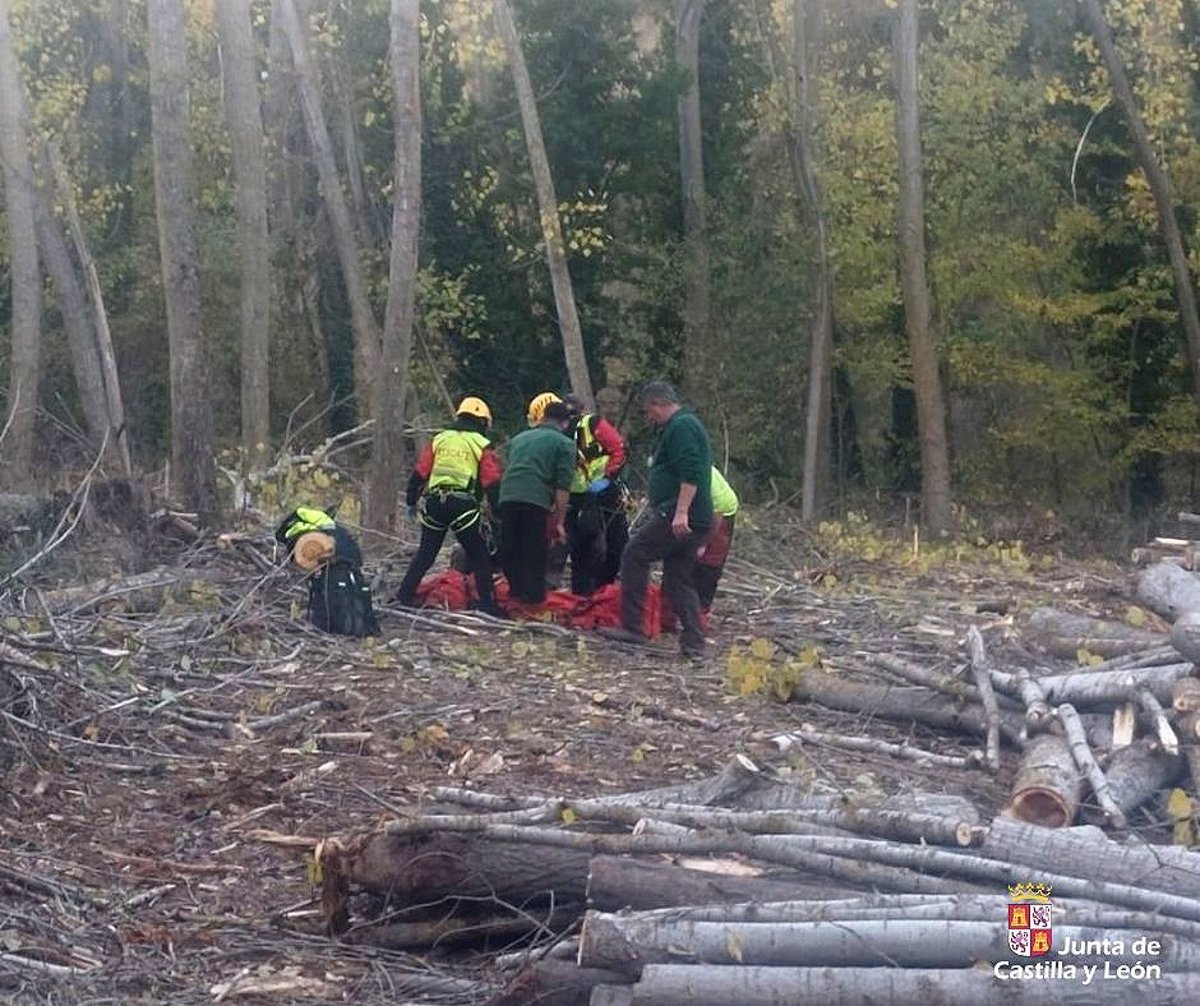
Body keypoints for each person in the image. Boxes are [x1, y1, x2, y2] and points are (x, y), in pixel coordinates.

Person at [600, 381, 713, 660]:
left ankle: (633, 627)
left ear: (659, 404)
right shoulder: (682, 425)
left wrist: (681, 511)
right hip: (692, 515)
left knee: (634, 553)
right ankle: (693, 644)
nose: (649, 417)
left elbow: (692, 471)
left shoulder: (682, 426)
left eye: (650, 410)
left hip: (679, 512)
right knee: (678, 580)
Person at [393, 396, 506, 617]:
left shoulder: (440, 439)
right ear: (483, 422)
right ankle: (487, 605)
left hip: (434, 504)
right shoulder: (479, 444)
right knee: (479, 555)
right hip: (462, 506)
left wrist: (411, 502)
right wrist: (498, 515)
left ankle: (404, 596)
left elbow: (420, 473)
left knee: (425, 555)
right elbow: (491, 482)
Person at [498, 398, 575, 604]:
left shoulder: (518, 438)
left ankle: (515, 591)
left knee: (511, 545)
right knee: (535, 549)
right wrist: (559, 521)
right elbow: (562, 487)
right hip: (535, 498)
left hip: (507, 495)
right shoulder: (565, 444)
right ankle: (533, 598)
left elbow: (505, 468)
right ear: (565, 423)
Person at [274, 505, 380, 637]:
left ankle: (331, 626)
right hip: (350, 564)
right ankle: (360, 626)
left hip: (332, 564)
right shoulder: (334, 529)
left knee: (329, 589)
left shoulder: (303, 527)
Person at [562, 393, 629, 596]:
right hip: (577, 496)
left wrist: (609, 478)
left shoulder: (593, 423)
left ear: (581, 411)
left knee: (616, 544)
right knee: (580, 547)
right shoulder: (560, 433)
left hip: (605, 491)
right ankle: (581, 594)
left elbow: (619, 448)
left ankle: (604, 587)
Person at [696, 465, 739, 609]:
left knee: (709, 562)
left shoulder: (704, 478)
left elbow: (717, 515)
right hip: (697, 508)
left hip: (722, 511)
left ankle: (701, 612)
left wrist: (703, 544)